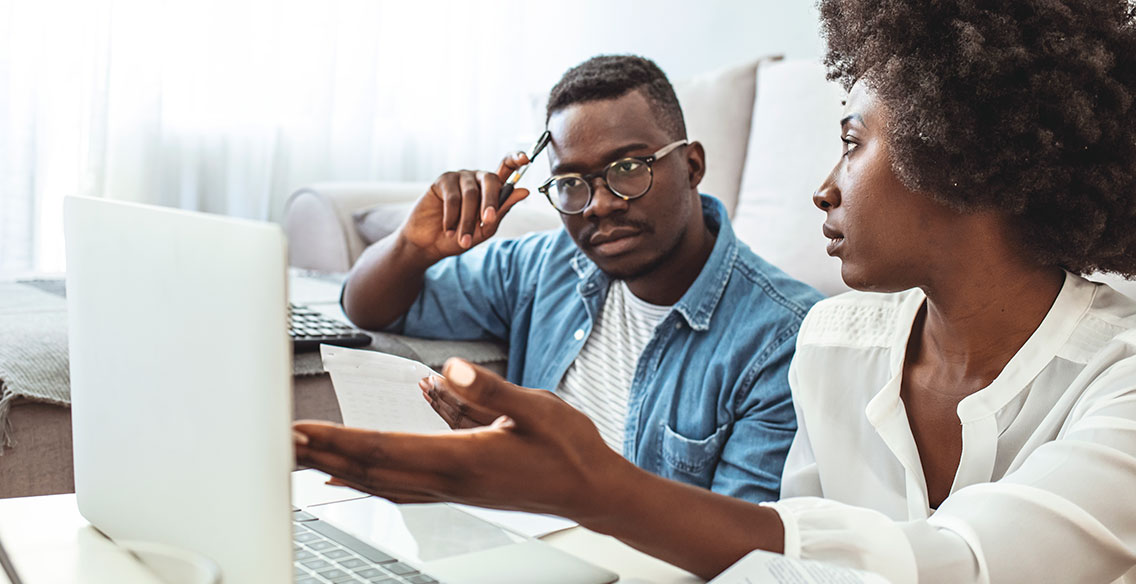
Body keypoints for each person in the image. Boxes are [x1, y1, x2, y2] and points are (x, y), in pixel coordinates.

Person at [296, 1, 1136, 584]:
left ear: (958, 155)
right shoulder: (838, 343)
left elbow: (972, 579)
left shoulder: (1121, 381)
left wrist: (591, 488)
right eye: (575, 184)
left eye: (850, 141)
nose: (824, 187)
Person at [339, 55, 821, 501]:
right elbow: (369, 307)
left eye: (629, 168)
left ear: (692, 166)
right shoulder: (543, 267)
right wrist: (412, 247)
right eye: (571, 183)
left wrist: (554, 463)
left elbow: (742, 543)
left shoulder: (781, 339)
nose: (599, 203)